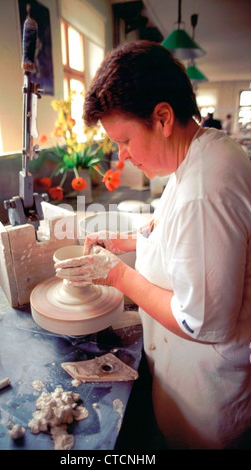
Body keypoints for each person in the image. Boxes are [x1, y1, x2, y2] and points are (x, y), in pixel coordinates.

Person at [55, 40, 251, 449]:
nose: (122, 156)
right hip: (188, 381)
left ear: (162, 117)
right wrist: (128, 238)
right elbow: (176, 229)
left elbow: (200, 322)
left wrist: (117, 274)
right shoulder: (200, 154)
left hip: (206, 401)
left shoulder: (205, 187)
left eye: (125, 140)